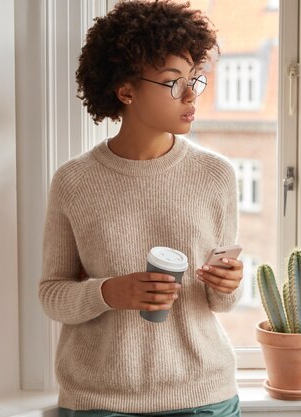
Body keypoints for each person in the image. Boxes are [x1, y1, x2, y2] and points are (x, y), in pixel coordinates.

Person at [38, 1, 244, 416]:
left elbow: (221, 303)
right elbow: (51, 294)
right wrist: (107, 292)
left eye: (194, 79)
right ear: (125, 90)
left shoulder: (215, 175)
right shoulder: (74, 181)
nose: (190, 95)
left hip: (204, 397)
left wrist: (229, 284)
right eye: (172, 82)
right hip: (99, 402)